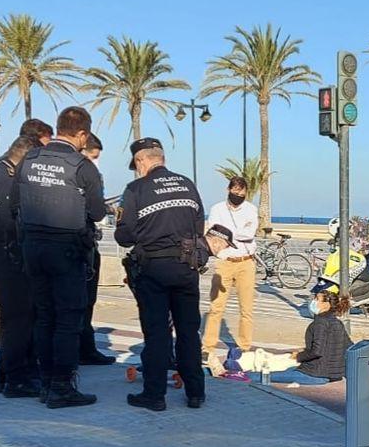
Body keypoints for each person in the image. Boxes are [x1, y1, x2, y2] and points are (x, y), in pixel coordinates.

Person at [13, 106, 106, 409]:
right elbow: (96, 212)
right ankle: (63, 386)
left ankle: (46, 381)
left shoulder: (29, 159)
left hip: (33, 249)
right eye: (85, 138)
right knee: (68, 319)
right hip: (66, 251)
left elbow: (15, 202)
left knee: (44, 316)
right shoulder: (82, 166)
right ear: (82, 134)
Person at [115, 138, 206, 411]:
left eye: (137, 165)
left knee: (156, 333)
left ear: (142, 160)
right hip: (187, 268)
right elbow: (199, 227)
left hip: (153, 270)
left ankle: (154, 395)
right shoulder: (187, 184)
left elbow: (124, 236)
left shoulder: (136, 189)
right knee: (189, 332)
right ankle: (196, 393)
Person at [0, 137, 41, 396]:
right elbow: (10, 222)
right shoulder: (6, 178)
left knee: (14, 317)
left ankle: (6, 373)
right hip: (6, 254)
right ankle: (16, 378)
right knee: (19, 318)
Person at [201, 175, 258, 363]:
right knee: (216, 307)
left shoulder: (251, 209)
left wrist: (228, 233)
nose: (238, 195)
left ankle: (244, 346)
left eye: (241, 192)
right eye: (235, 191)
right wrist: (228, 240)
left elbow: (250, 233)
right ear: (228, 190)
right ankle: (207, 346)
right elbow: (214, 232)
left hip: (246, 261)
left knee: (246, 308)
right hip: (224, 262)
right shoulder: (217, 209)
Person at [77, 132, 116, 366]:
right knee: (78, 302)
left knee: (88, 301)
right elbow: (96, 211)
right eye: (93, 156)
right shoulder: (80, 174)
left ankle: (86, 347)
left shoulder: (91, 174)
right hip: (78, 246)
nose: (96, 162)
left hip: (89, 243)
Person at [269, 290, 352, 387]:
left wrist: (299, 356)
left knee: (262, 375)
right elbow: (348, 347)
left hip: (315, 373)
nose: (313, 301)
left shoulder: (320, 323)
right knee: (287, 371)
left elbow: (317, 351)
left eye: (317, 299)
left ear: (326, 305)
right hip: (333, 375)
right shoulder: (337, 322)